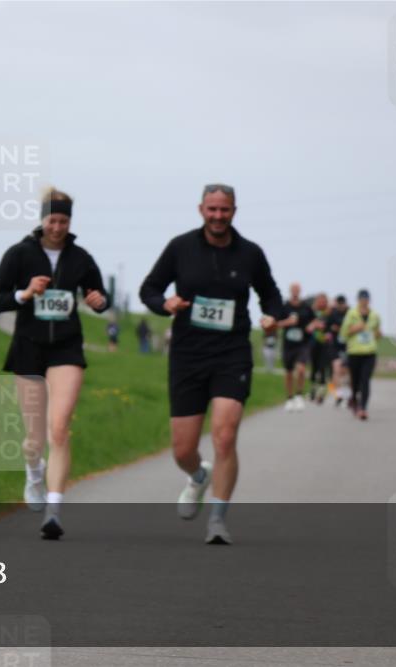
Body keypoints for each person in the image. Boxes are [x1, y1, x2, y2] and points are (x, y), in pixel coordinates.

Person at [139, 184, 283, 545]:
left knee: (224, 435)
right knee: (183, 449)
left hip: (231, 353)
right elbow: (149, 289)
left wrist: (272, 316)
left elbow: (271, 295)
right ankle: (198, 478)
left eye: (225, 210)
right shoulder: (180, 247)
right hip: (188, 355)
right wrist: (165, 304)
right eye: (212, 210)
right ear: (201, 209)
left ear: (235, 211)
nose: (218, 217)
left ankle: (218, 519)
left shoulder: (250, 253)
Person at [0, 187, 110, 540]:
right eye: (52, 220)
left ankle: (54, 510)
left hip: (67, 348)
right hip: (28, 347)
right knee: (34, 439)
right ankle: (33, 471)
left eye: (64, 221)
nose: (57, 227)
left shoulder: (80, 257)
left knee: (59, 427)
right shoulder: (20, 254)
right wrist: (24, 294)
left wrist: (99, 300)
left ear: (70, 222)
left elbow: (99, 296)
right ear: (42, 220)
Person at [342, 289, 381, 421]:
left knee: (365, 380)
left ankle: (363, 408)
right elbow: (344, 333)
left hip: (369, 352)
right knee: (355, 381)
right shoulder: (351, 314)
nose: (364, 301)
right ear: (358, 300)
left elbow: (377, 332)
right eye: (362, 299)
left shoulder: (375, 315)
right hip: (354, 352)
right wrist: (355, 329)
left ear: (369, 300)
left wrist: (378, 334)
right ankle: (353, 397)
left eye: (366, 299)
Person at [277, 283, 314, 412]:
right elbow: (276, 324)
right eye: (293, 289)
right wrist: (288, 322)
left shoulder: (306, 307)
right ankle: (289, 398)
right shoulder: (284, 307)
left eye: (297, 289)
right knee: (288, 372)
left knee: (301, 369)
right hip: (288, 345)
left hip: (303, 344)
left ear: (300, 291)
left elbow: (314, 320)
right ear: (290, 291)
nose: (295, 292)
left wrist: (312, 326)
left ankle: (299, 395)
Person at [308, 293, 332, 404]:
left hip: (325, 344)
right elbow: (308, 325)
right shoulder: (312, 312)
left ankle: (321, 393)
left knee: (323, 368)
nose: (322, 302)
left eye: (324, 301)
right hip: (313, 343)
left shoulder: (329, 313)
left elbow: (333, 327)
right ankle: (313, 390)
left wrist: (330, 333)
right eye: (320, 300)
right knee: (314, 367)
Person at [328, 294, 351, 407]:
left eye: (342, 303)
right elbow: (328, 327)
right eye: (339, 303)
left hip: (348, 346)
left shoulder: (351, 313)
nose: (341, 306)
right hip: (335, 346)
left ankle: (349, 394)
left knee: (346, 371)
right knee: (336, 369)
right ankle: (338, 395)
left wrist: (341, 328)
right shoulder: (332, 313)